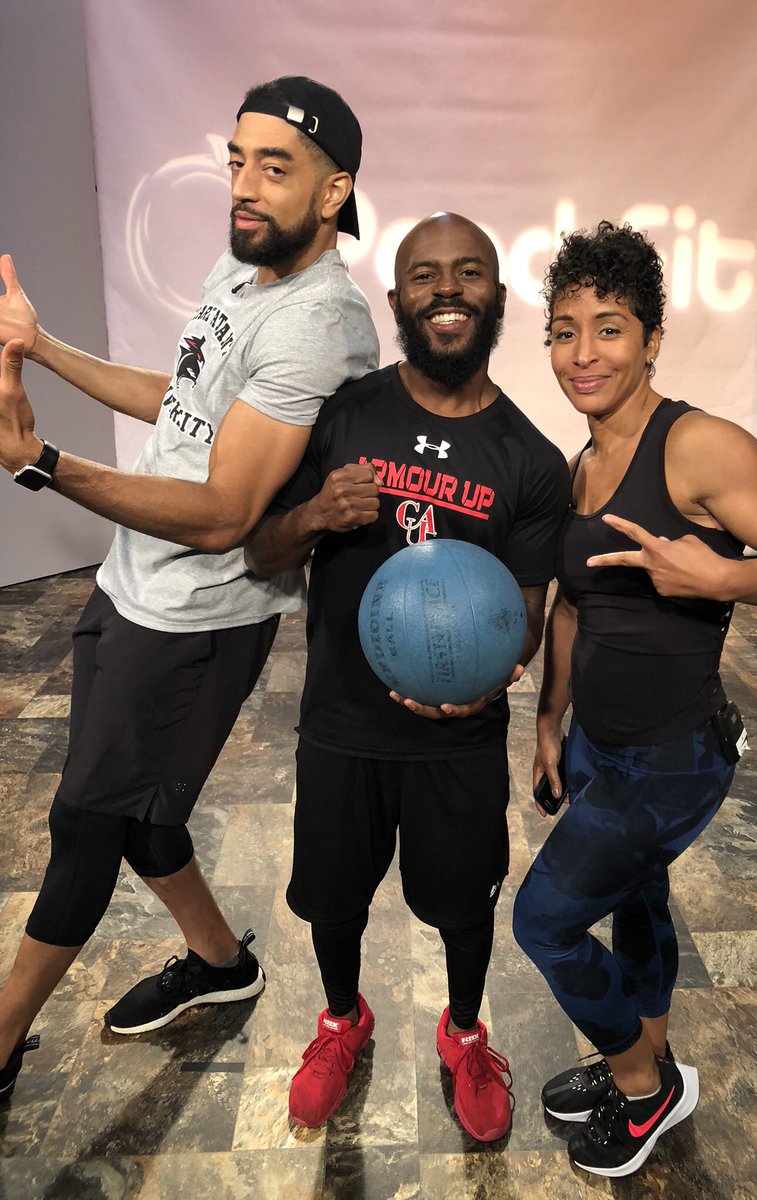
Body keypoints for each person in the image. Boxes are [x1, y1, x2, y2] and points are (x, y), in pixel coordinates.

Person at [0, 75, 378, 1100]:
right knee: (145, 821)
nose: (244, 187)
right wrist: (43, 349)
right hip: (136, 587)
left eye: (276, 167)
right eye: (237, 161)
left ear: (334, 190)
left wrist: (41, 463)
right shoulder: (245, 264)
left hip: (198, 619)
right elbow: (185, 405)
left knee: (86, 826)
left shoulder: (318, 325)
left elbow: (222, 513)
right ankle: (221, 964)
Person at [511, 221, 757, 1178]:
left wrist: (718, 580)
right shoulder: (581, 466)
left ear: (653, 338)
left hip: (673, 754)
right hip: (597, 744)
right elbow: (575, 606)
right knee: (638, 898)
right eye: (566, 330)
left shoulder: (697, 444)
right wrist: (547, 720)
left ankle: (644, 1086)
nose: (585, 353)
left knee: (543, 922)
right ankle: (647, 1053)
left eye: (609, 328)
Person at [245, 211, 570, 1142]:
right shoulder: (343, 416)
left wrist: (499, 673)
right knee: (333, 899)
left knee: (465, 904)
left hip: (458, 736)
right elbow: (262, 548)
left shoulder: (532, 463)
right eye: (426, 275)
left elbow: (531, 608)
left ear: (497, 300)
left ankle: (466, 1030)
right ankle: (342, 1019)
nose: (447, 290)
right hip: (343, 723)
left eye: (469, 273)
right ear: (397, 301)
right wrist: (312, 514)